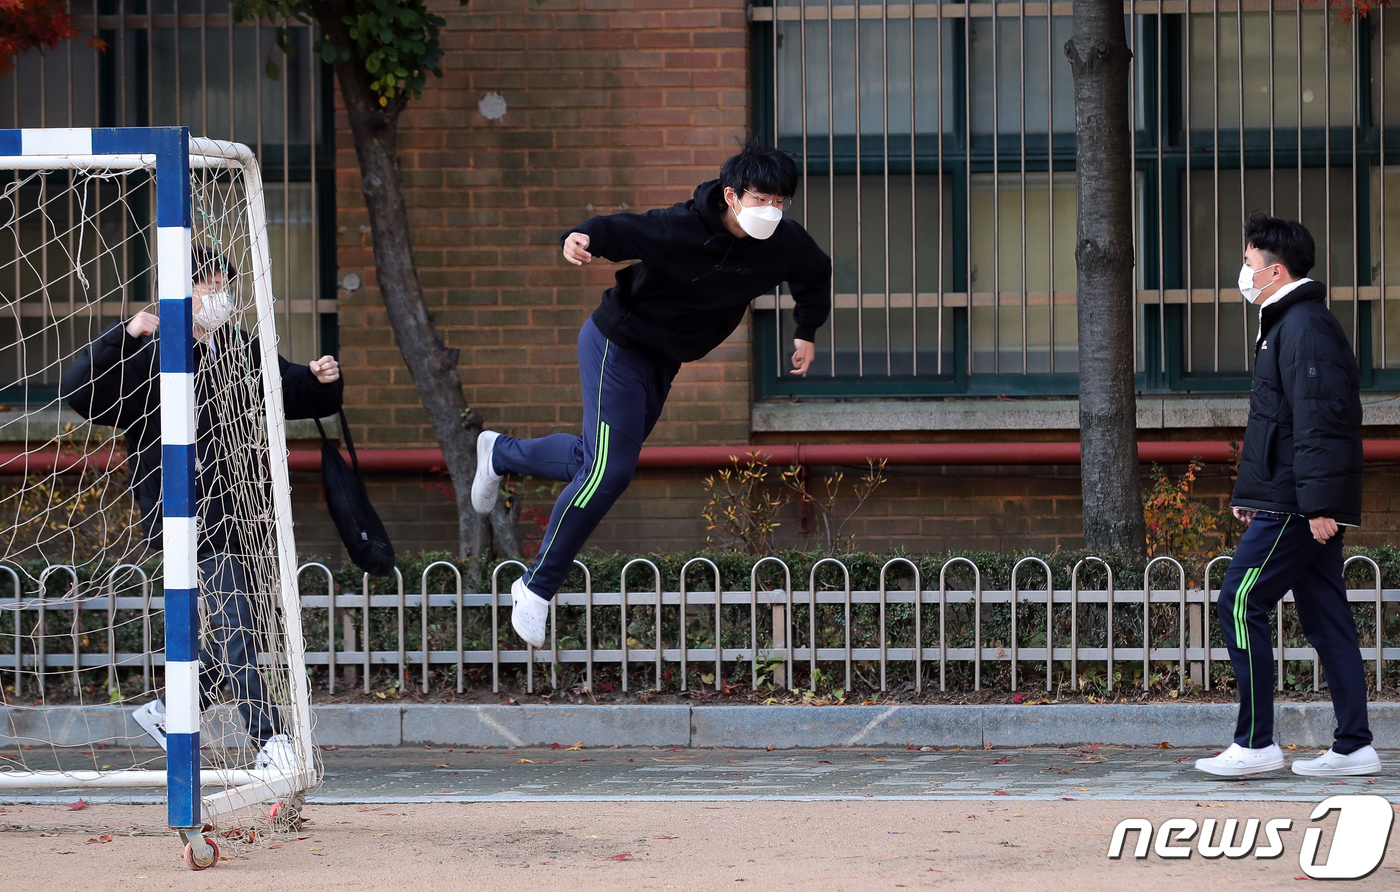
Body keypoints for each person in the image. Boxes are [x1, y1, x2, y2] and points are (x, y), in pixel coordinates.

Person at [471, 142, 832, 647]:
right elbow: (621, 229)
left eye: (780, 202)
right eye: (760, 199)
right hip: (616, 343)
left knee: (596, 460)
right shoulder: (682, 227)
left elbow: (815, 272)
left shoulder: (784, 242)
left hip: (664, 359)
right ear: (732, 195)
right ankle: (535, 587)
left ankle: (500, 453)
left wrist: (806, 331)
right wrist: (579, 237)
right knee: (610, 472)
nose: (770, 211)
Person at [60, 246, 343, 771]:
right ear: (181, 294)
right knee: (236, 623)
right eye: (208, 287)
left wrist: (321, 378)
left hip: (243, 508)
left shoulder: (238, 348)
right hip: (183, 510)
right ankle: (269, 740)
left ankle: (170, 711)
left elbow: (291, 391)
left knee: (249, 624)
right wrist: (125, 334)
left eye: (223, 287)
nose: (219, 297)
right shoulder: (150, 354)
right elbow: (81, 393)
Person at [1196, 213, 1378, 778]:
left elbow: (1321, 421)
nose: (1243, 273)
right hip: (1291, 497)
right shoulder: (1288, 324)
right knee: (1326, 618)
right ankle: (1354, 747)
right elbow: (1279, 422)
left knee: (1239, 601)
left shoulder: (1303, 326)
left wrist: (1320, 505)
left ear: (1275, 271)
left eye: (1248, 263)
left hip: (1298, 504)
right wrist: (1252, 492)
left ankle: (1256, 744)